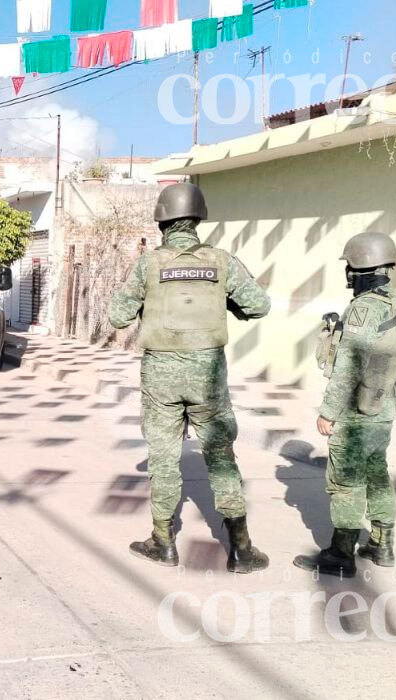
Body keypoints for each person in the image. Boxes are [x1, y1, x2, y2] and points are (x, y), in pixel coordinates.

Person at [108, 182, 272, 574]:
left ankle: (163, 543)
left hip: (161, 373)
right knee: (220, 456)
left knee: (164, 460)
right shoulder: (222, 261)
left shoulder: (148, 264)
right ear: (198, 218)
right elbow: (259, 305)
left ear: (162, 220)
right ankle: (242, 548)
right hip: (208, 372)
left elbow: (117, 316)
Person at [293, 232, 396, 578]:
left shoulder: (362, 309)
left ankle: (341, 555)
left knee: (347, 482)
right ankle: (381, 545)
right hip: (384, 412)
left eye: (350, 267)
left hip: (354, 413)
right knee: (377, 475)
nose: (348, 274)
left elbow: (348, 366)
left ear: (359, 269)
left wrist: (328, 413)